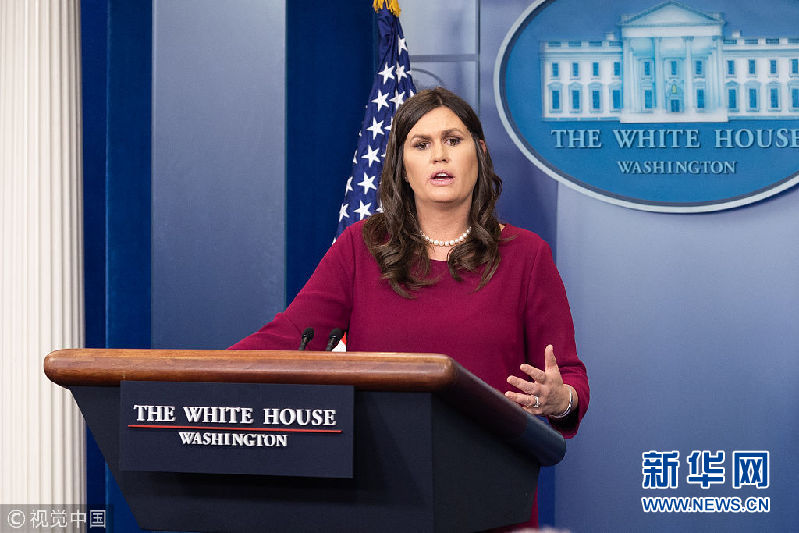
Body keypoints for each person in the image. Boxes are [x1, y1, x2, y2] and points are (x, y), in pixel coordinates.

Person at [230, 87, 589, 528]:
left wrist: (560, 399)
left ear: (479, 152)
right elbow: (290, 337)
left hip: (492, 493)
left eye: (453, 140)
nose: (439, 155)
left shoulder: (526, 255)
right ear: (402, 166)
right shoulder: (361, 247)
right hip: (380, 492)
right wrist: (196, 377)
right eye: (421, 144)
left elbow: (568, 377)